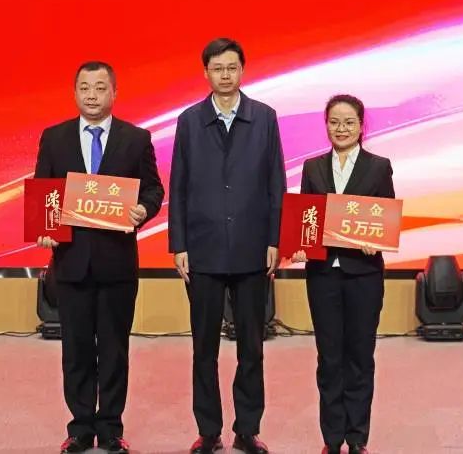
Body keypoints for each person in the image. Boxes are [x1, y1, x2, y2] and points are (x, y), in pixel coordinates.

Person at [34, 61, 165, 454]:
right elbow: (44, 191)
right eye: (85, 88)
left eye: (100, 88)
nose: (92, 96)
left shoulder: (136, 139)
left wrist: (143, 210)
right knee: (75, 350)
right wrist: (44, 226)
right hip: (71, 263)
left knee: (113, 350)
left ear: (114, 93)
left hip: (116, 264)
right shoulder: (54, 138)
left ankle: (110, 428)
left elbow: (154, 190)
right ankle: (79, 428)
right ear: (75, 92)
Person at [169, 38, 286, 454]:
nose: (225, 75)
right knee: (204, 348)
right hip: (203, 249)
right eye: (217, 68)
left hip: (253, 249)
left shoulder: (264, 118)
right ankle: (209, 430)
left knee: (251, 347)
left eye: (232, 67)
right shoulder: (189, 121)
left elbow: (276, 183)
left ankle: (247, 429)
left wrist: (275, 239)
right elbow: (178, 186)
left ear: (242, 71)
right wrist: (179, 243)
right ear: (206, 73)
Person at [292, 95, 394, 454]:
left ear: (361, 126)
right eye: (334, 122)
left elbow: (384, 219)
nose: (341, 129)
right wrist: (300, 245)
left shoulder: (378, 167)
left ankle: (357, 438)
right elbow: (306, 219)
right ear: (326, 125)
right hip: (323, 275)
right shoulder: (312, 167)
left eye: (349, 122)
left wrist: (374, 241)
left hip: (364, 275)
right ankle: (332, 439)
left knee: (360, 356)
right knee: (329, 357)